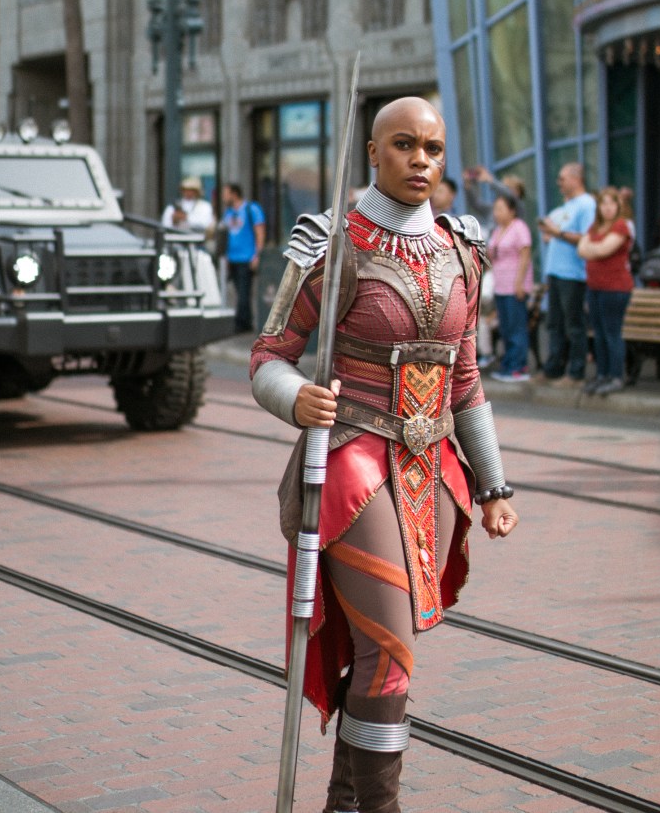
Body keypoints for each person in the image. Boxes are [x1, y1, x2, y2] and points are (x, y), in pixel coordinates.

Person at [250, 97, 518, 813]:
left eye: (432, 148)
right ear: (374, 151)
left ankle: (343, 804)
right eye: (404, 146)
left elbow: (464, 378)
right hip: (350, 463)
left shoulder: (463, 251)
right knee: (390, 650)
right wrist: (294, 397)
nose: (420, 161)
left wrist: (493, 484)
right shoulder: (330, 244)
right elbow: (269, 354)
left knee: (379, 652)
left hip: (429, 470)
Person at [535, 163, 596, 385]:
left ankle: (576, 372)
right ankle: (553, 369)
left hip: (573, 274)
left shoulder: (587, 204)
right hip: (556, 273)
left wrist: (557, 233)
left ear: (575, 178)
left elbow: (586, 237)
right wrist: (551, 233)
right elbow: (555, 235)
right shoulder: (566, 206)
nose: (559, 183)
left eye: (562, 178)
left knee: (574, 324)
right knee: (555, 323)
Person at [577, 187, 634, 396]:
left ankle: (616, 375)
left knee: (612, 333)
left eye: (612, 203)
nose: (608, 208)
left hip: (615, 289)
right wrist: (593, 249)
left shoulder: (621, 226)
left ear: (618, 206)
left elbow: (603, 250)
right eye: (604, 203)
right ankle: (602, 374)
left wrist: (592, 249)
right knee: (598, 333)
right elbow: (581, 249)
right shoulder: (595, 226)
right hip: (595, 287)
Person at [487, 194, 533, 382]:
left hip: (515, 285)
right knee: (505, 328)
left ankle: (518, 366)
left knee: (516, 327)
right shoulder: (498, 230)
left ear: (512, 210)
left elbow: (524, 254)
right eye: (495, 209)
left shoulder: (519, 227)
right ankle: (507, 363)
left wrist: (520, 283)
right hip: (501, 286)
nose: (496, 213)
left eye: (500, 208)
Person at [221, 183, 266, 334]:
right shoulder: (228, 213)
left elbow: (260, 231)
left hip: (246, 257)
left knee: (244, 290)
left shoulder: (250, 209)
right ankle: (243, 319)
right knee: (238, 290)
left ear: (234, 194)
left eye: (226, 193)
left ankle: (243, 322)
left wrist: (257, 254)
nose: (223, 197)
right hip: (233, 257)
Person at [160, 175, 215, 241]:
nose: (188, 192)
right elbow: (165, 226)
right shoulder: (172, 207)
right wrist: (174, 220)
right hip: (176, 242)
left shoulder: (205, 206)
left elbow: (206, 224)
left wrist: (186, 218)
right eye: (186, 190)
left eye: (191, 190)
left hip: (199, 243)